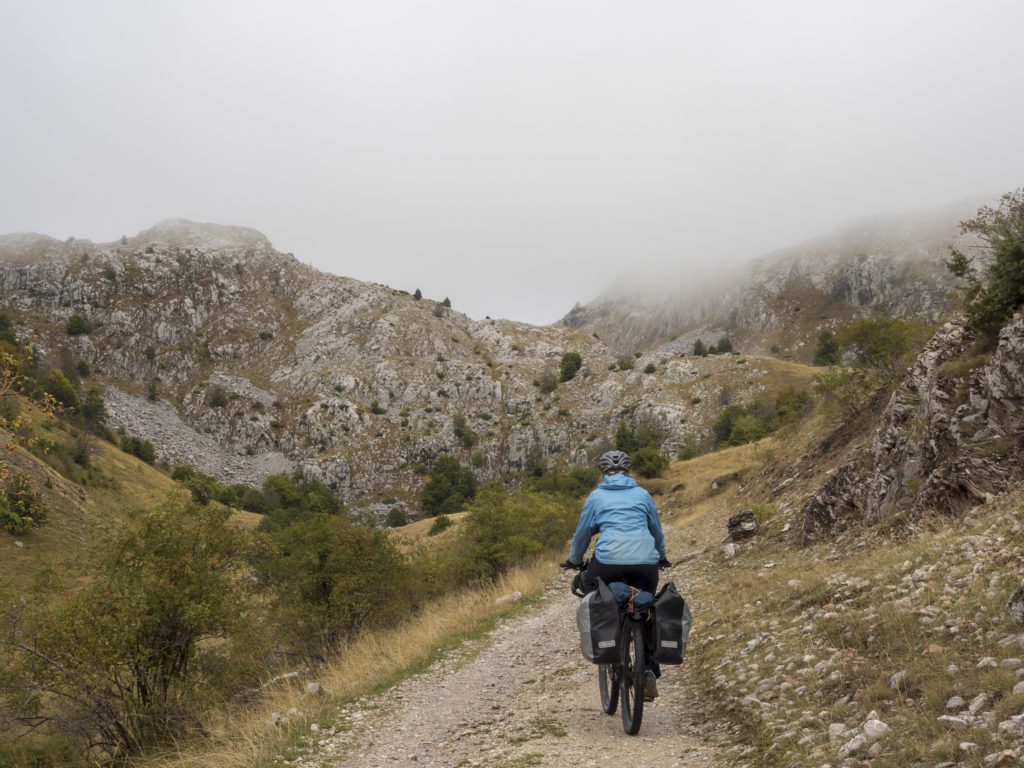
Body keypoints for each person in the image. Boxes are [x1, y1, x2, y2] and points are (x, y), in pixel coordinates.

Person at [560, 449, 670, 699]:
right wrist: (661, 557)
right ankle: (649, 670)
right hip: (646, 561)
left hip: (608, 561)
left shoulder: (597, 497)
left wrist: (574, 561)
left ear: (603, 472)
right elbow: (656, 530)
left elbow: (582, 534)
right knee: (646, 604)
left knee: (593, 589)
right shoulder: (643, 495)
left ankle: (607, 644)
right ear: (628, 471)